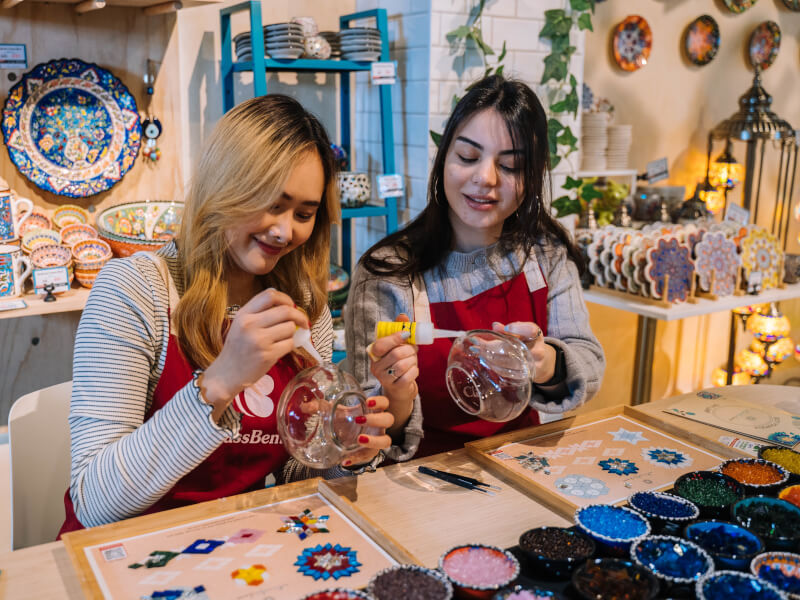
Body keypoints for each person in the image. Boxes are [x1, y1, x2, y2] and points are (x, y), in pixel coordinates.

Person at [59, 95, 401, 534]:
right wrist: (220, 381)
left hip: (237, 544)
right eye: (271, 203)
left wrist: (339, 449)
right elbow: (94, 501)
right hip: (126, 552)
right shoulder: (133, 290)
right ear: (225, 187)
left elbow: (295, 472)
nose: (284, 230)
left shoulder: (301, 306)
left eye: (304, 214)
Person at [345, 75, 605, 458]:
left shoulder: (544, 255)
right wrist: (394, 395)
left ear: (532, 179)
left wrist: (543, 361)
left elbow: (588, 360)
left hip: (523, 464)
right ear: (444, 159)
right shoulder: (388, 274)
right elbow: (366, 435)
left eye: (512, 166)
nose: (485, 178)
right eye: (468, 157)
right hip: (419, 481)